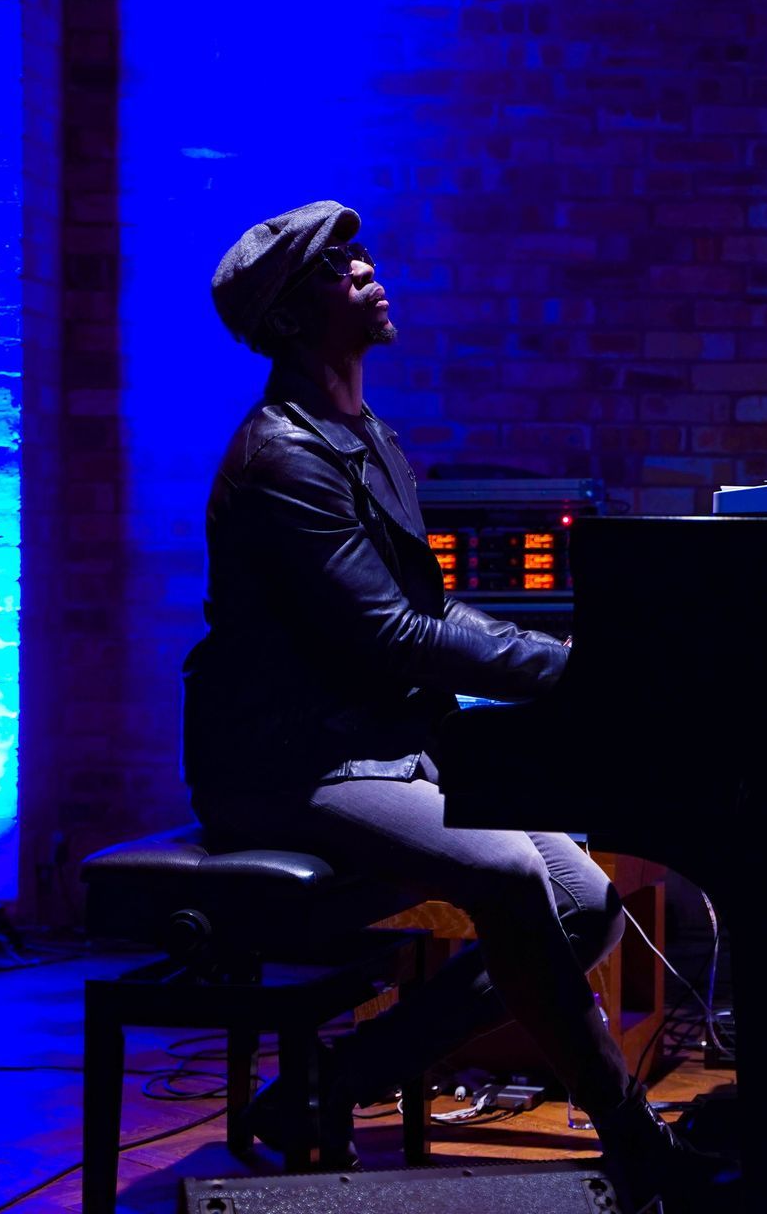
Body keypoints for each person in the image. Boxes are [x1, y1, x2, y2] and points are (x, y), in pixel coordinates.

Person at [185, 200, 730, 1208]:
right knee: (512, 869)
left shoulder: (366, 437)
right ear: (293, 314)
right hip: (292, 762)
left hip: (382, 743)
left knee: (587, 901)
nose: (365, 269)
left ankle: (331, 1079)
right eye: (337, 267)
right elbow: (390, 632)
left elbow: (428, 611)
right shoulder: (284, 458)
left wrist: (561, 659)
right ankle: (633, 1141)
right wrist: (571, 668)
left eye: (359, 254)